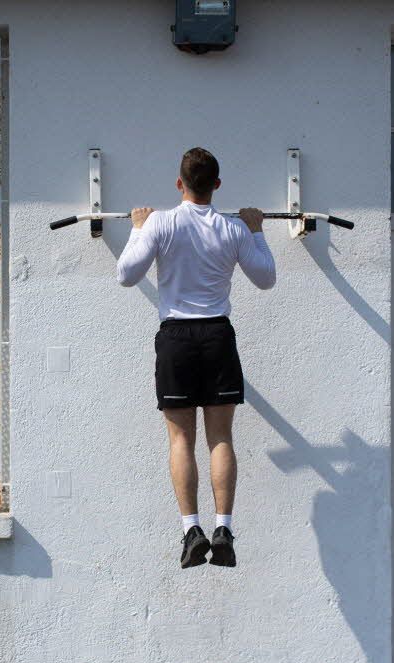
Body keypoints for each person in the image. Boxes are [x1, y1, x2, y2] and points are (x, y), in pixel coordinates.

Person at [116, 148, 276, 567]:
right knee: (220, 438)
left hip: (177, 338)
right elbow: (265, 279)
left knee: (181, 439)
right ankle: (223, 528)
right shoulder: (234, 228)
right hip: (217, 336)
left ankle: (192, 531)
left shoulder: (160, 223)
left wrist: (137, 228)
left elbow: (126, 275)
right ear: (217, 185)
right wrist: (256, 230)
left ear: (179, 183)